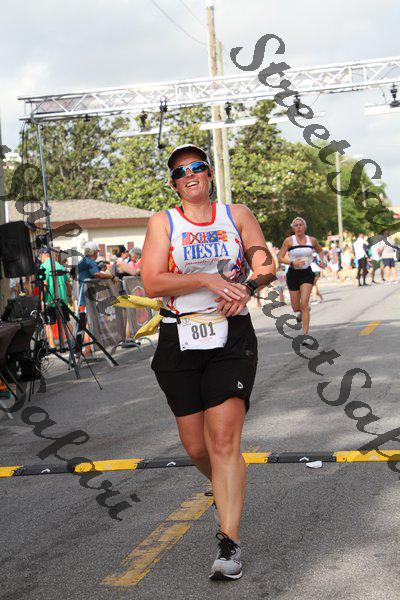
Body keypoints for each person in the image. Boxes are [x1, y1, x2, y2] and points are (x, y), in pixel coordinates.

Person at [141, 143, 275, 581]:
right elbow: (152, 281)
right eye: (180, 172)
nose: (190, 175)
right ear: (173, 184)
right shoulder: (164, 222)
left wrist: (250, 285)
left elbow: (264, 262)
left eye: (197, 167)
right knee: (197, 448)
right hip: (179, 335)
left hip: (230, 335)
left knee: (223, 441)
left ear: (209, 174)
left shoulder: (236, 215)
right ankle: (223, 487)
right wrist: (205, 279)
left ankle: (229, 543)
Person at [277, 217, 327, 343]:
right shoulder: (289, 241)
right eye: (296, 225)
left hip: (307, 273)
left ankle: (304, 335)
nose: (299, 227)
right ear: (293, 228)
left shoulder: (312, 240)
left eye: (301, 225)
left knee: (304, 303)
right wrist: (292, 262)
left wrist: (322, 261)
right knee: (296, 307)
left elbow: (320, 251)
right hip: (293, 274)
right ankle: (304, 310)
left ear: (305, 227)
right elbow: (280, 257)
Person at [38, 247, 71, 349]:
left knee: (48, 324)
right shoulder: (59, 266)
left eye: (39, 256)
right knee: (65, 322)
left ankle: (52, 347)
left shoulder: (43, 266)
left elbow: (44, 285)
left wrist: (40, 300)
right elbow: (68, 283)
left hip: (50, 301)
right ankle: (74, 343)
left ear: (43, 255)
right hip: (62, 300)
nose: (40, 259)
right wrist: (69, 296)